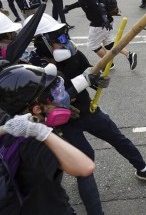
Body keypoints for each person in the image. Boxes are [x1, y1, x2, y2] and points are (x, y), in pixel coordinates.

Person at [26, 14, 146, 215]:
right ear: (44, 44)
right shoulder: (34, 69)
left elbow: (89, 71)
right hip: (64, 123)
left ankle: (143, 169)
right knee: (86, 162)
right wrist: (82, 82)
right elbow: (49, 101)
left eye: (65, 35)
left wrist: (97, 79)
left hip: (88, 110)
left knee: (118, 138)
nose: (66, 42)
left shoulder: (72, 55)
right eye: (59, 38)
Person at [0, 63, 95, 214]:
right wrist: (40, 132)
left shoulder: (8, 120)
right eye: (54, 94)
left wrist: (84, 81)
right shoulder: (35, 144)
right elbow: (85, 167)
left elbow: (48, 104)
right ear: (36, 109)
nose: (61, 97)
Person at [59, 0, 138, 70]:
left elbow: (98, 5)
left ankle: (107, 64)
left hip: (99, 23)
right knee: (109, 44)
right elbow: (84, 2)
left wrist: (104, 19)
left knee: (93, 45)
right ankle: (129, 55)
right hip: (106, 21)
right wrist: (69, 7)